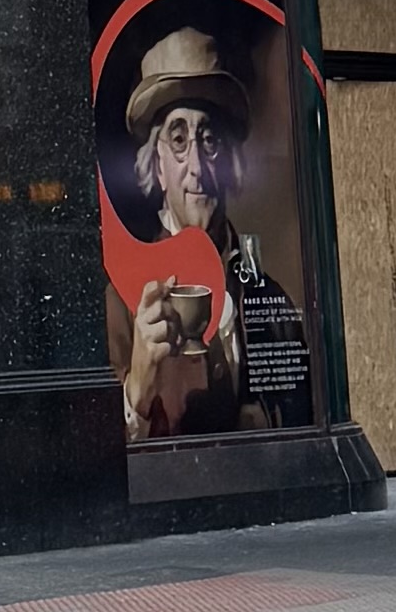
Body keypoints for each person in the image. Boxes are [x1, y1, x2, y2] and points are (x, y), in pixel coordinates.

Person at [107, 24, 310, 438]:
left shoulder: (269, 299)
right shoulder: (123, 302)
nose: (197, 168)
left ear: (230, 162)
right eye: (179, 140)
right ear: (157, 166)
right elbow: (95, 457)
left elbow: (304, 419)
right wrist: (137, 390)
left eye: (210, 139)